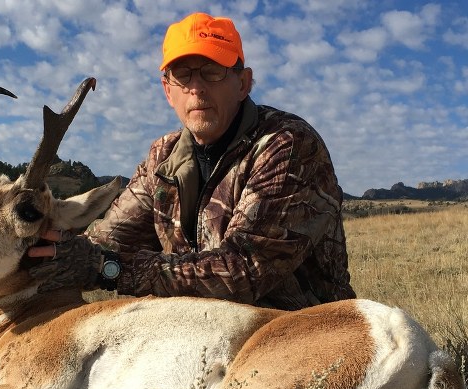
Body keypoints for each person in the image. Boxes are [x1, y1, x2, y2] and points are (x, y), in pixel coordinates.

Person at [29, 12, 356, 310]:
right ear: (168, 91)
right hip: (202, 332)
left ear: (242, 83)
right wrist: (40, 249)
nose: (196, 88)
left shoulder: (287, 144)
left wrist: (105, 268)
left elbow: (244, 270)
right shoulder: (162, 156)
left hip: (304, 334)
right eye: (182, 75)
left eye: (212, 71)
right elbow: (109, 239)